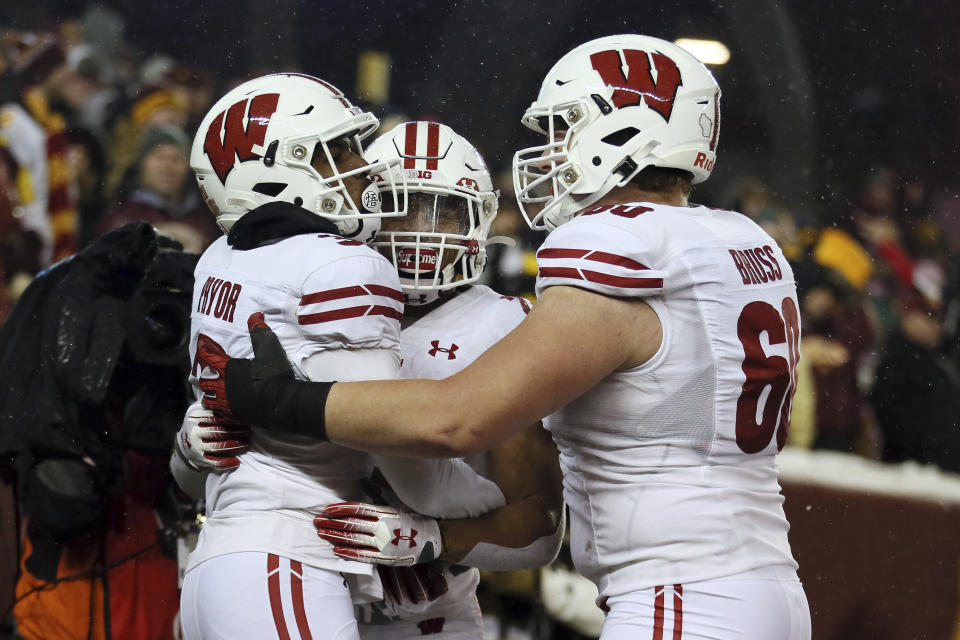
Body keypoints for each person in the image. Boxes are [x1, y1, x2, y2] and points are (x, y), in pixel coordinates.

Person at [214, 36, 812, 640]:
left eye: (561, 128)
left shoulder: (621, 244)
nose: (548, 152)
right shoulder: (738, 240)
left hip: (682, 597)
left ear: (625, 132)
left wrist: (277, 399)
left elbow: (458, 421)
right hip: (760, 580)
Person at [175, 74, 509, 640]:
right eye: (340, 151)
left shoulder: (220, 258)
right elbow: (402, 455)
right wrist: (483, 506)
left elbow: (199, 464)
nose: (363, 166)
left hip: (227, 558)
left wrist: (186, 449)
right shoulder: (342, 266)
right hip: (293, 556)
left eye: (442, 213)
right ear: (281, 168)